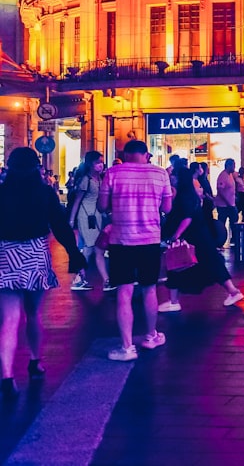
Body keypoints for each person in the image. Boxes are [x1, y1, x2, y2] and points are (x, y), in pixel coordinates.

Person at [0, 148, 85, 399]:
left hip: (5, 255)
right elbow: (59, 225)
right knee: (33, 314)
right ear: (37, 167)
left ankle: (6, 375)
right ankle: (35, 361)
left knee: (9, 319)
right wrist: (74, 253)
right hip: (34, 254)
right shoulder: (44, 192)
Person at [99, 139, 173, 362]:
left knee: (124, 291)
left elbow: (102, 206)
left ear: (125, 153)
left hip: (121, 239)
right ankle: (151, 336)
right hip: (150, 239)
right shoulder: (160, 174)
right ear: (146, 154)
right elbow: (167, 208)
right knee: (150, 289)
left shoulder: (112, 173)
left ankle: (127, 347)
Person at [158, 167, 244, 312]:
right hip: (200, 236)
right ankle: (233, 291)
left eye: (174, 175)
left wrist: (176, 235)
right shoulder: (189, 194)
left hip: (193, 237)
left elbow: (187, 217)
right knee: (211, 263)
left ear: (180, 178)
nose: (171, 177)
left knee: (176, 265)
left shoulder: (184, 196)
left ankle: (174, 301)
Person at [68, 151, 114, 292]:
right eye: (97, 162)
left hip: (97, 216)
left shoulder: (99, 179)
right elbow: (77, 201)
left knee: (93, 248)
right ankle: (94, 279)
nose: (101, 165)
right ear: (90, 164)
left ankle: (83, 278)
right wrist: (71, 219)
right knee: (93, 248)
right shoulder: (85, 180)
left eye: (101, 162)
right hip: (86, 217)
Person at [215, 159, 238, 244]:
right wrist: (227, 202)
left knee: (234, 222)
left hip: (231, 204)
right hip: (224, 206)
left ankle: (234, 239)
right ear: (228, 166)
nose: (234, 167)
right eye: (233, 165)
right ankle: (219, 240)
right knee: (221, 223)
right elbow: (220, 191)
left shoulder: (230, 175)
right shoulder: (223, 176)